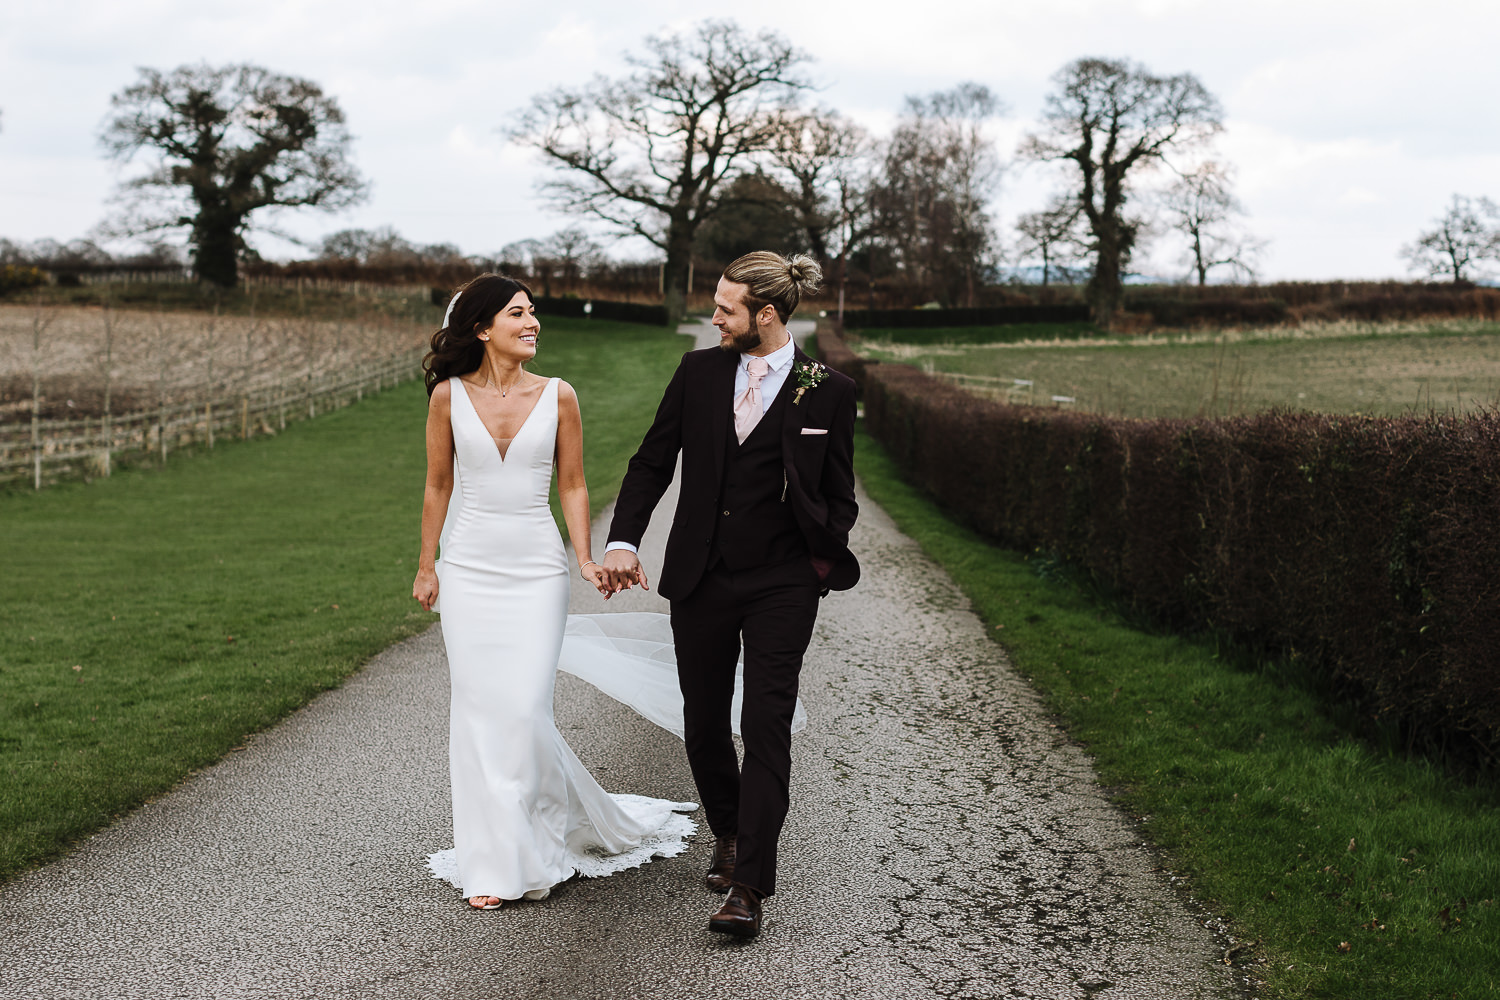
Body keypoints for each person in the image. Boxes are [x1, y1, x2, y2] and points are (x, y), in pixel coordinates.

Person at [411, 273, 698, 910]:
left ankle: (538, 843)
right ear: (484, 328)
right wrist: (427, 565)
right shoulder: (447, 398)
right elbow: (437, 486)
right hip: (469, 571)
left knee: (522, 710)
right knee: (481, 712)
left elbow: (572, 484)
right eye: (518, 314)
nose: (533, 322)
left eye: (533, 312)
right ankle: (499, 860)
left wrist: (586, 556)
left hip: (537, 571)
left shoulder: (560, 395)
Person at [602, 251, 860, 938]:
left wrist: (816, 560)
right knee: (704, 719)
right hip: (702, 576)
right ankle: (730, 830)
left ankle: (749, 885)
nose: (712, 317)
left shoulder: (825, 389)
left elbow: (839, 493)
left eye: (724, 309)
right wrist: (623, 539)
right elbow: (654, 460)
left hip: (782, 582)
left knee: (766, 723)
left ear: (765, 315)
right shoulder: (699, 373)